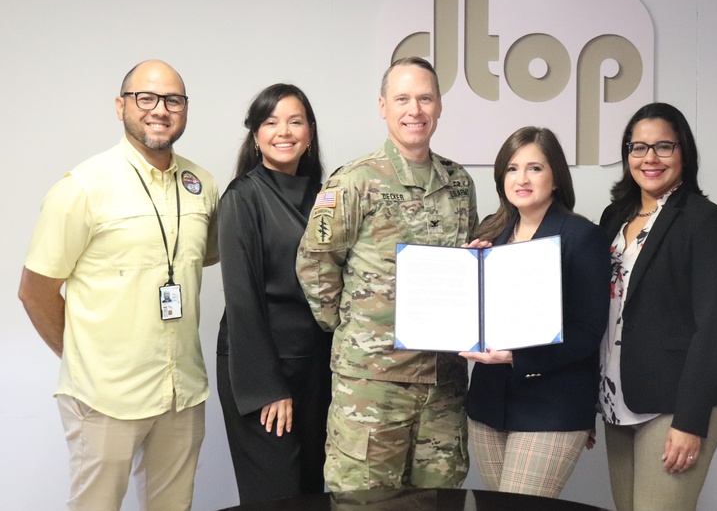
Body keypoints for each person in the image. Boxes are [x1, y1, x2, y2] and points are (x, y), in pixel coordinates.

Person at [17, 60, 219, 511]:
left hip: (181, 391)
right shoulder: (83, 187)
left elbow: (201, 259)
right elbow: (35, 291)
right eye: (145, 98)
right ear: (120, 106)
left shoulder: (201, 185)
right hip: (104, 398)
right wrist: (85, 360)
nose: (160, 110)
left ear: (186, 109)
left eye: (173, 100)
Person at [296, 56, 478, 491]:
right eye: (402, 99)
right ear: (383, 106)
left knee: (438, 499)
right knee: (363, 501)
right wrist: (351, 329)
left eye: (425, 98)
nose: (414, 109)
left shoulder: (459, 182)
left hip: (443, 385)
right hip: (373, 385)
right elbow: (315, 263)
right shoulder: (354, 181)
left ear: (438, 106)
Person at [598, 102, 717, 511]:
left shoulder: (705, 220)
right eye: (638, 147)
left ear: (684, 152)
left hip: (674, 405)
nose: (649, 158)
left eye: (663, 147)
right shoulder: (613, 218)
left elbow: (711, 327)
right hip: (617, 399)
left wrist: (689, 421)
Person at [460, 127, 609, 498]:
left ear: (555, 177)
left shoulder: (582, 237)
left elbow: (588, 332)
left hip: (551, 407)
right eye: (512, 168)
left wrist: (517, 356)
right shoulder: (490, 235)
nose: (521, 179)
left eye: (535, 168)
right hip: (488, 407)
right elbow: (474, 319)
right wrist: (465, 271)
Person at [215, 84, 333, 503]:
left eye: (295, 121)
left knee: (312, 491)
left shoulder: (328, 196)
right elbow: (241, 297)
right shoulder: (242, 197)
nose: (284, 132)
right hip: (262, 370)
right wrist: (269, 388)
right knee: (276, 495)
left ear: (310, 133)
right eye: (271, 122)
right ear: (255, 135)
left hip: (318, 367)